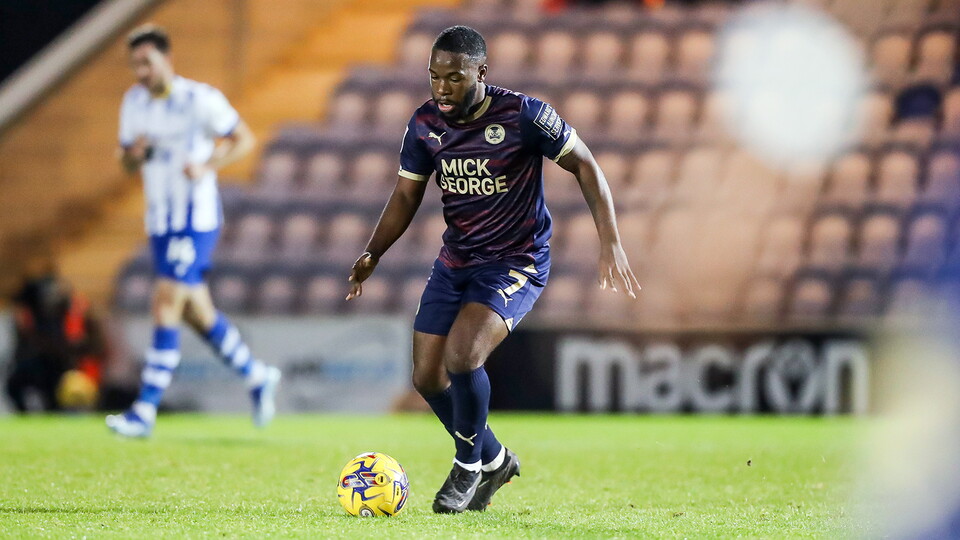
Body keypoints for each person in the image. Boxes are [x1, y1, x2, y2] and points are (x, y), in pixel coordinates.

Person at [346, 25, 640, 513]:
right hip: (456, 258)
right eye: (434, 77)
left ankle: (467, 468)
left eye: (455, 78)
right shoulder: (423, 124)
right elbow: (405, 195)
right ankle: (496, 459)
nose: (442, 88)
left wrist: (610, 240)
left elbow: (586, 164)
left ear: (482, 72)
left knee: (463, 357)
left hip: (515, 259)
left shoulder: (525, 115)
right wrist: (373, 253)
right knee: (426, 377)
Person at [105, 24, 281, 438]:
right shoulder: (134, 102)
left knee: (165, 302)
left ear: (167, 59)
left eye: (146, 62)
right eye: (135, 65)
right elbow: (126, 160)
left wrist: (207, 166)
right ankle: (257, 376)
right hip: (161, 223)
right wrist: (133, 155)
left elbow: (243, 139)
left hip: (195, 219)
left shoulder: (199, 100)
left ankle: (144, 410)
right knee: (197, 314)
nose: (141, 71)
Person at [5, 262, 106, 412]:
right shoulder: (37, 315)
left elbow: (90, 344)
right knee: (16, 383)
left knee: (69, 388)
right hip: (44, 361)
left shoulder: (73, 313)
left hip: (69, 364)